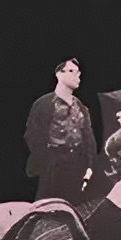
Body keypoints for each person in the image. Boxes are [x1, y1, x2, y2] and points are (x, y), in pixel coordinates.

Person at [24, 58, 98, 203]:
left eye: (78, 73)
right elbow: (32, 135)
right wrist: (48, 162)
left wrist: (90, 165)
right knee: (48, 206)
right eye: (71, 71)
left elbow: (88, 138)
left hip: (77, 165)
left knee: (74, 205)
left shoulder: (80, 106)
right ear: (59, 74)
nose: (77, 76)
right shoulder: (45, 104)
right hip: (53, 166)